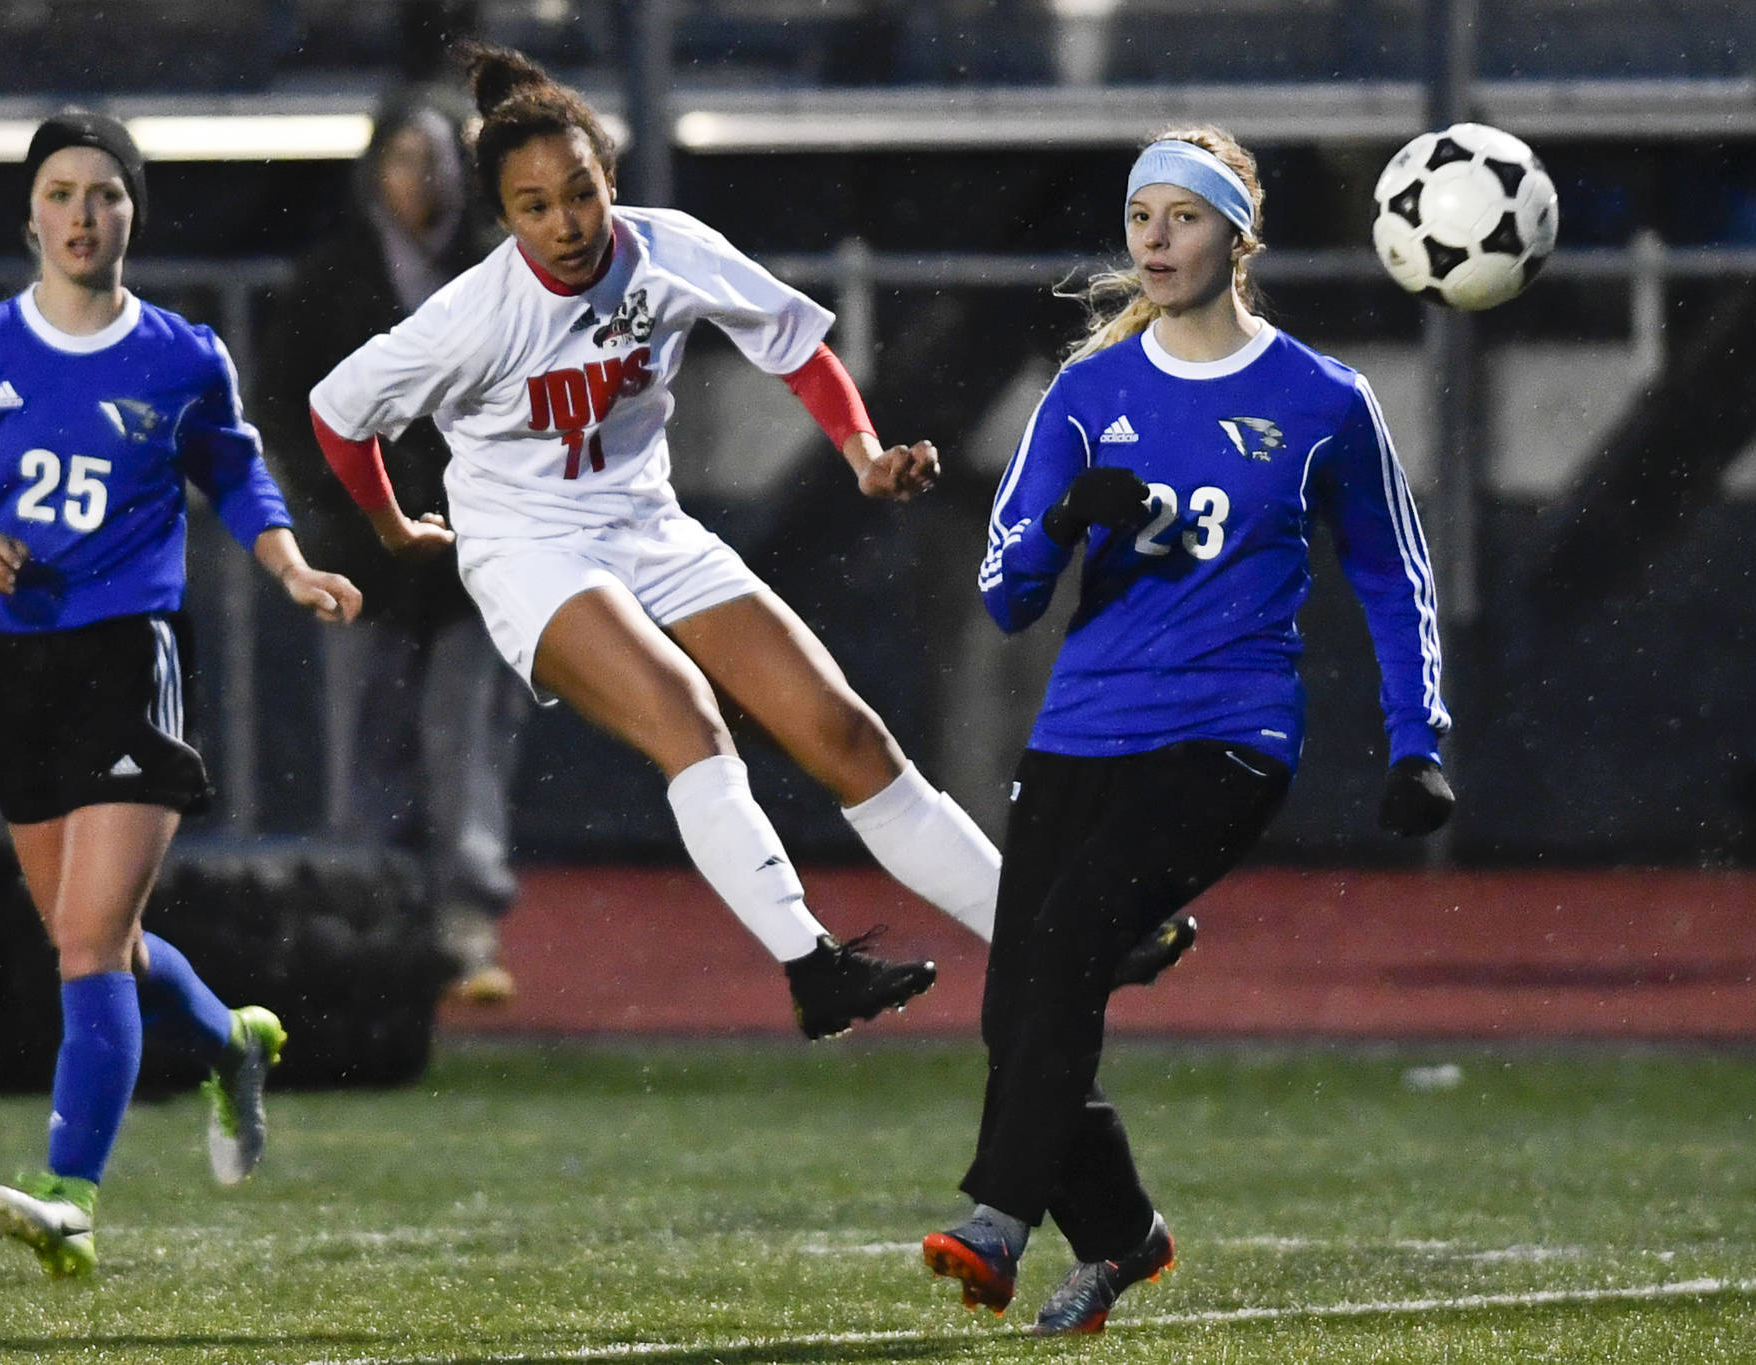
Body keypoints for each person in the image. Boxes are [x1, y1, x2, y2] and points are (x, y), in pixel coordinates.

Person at [308, 41, 1009, 1040]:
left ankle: (1038, 933)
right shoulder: (471, 315)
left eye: (578, 193)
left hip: (648, 526)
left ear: (608, 179)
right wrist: (387, 525)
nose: (563, 223)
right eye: (532, 207)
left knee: (843, 732)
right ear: (501, 219)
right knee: (688, 717)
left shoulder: (667, 248)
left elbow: (797, 349)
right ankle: (812, 965)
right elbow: (338, 412)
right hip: (526, 550)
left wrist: (859, 453)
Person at [921, 128, 1456, 1333]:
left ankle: (996, 1219)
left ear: (1236, 237)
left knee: (1059, 949)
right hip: (1079, 733)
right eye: (1140, 217)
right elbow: (1006, 594)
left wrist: (1414, 737)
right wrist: (1064, 518)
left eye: (1183, 217)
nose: (1155, 241)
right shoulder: (1087, 390)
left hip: (1227, 735)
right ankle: (1119, 1236)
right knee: (1022, 1010)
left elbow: (1389, 574)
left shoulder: (1322, 401)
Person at [0, 110, 362, 1276]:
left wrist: (292, 563)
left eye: (104, 193)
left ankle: (70, 1196)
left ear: (131, 214)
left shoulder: (181, 355)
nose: (82, 214)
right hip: (8, 666)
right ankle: (230, 1044)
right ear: (30, 214)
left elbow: (239, 478)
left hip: (125, 657)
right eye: (61, 192)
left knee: (88, 944)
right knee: (93, 936)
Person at [260, 87, 529, 1004]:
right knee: (365, 739)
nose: (430, 177)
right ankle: (364, 919)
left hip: (471, 551)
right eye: (413, 157)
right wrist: (337, 505)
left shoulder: (502, 273)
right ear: (376, 171)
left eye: (447, 158)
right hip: (361, 551)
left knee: (466, 740)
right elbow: (286, 403)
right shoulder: (330, 279)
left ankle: (465, 924)